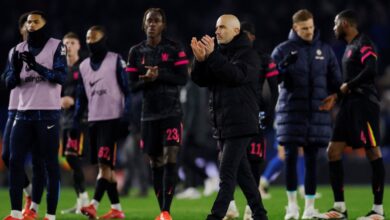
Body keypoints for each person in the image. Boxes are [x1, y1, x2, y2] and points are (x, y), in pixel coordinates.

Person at [191, 14, 268, 220]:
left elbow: (235, 76)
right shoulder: (218, 54)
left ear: (236, 31)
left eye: (222, 27)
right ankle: (260, 214)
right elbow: (201, 80)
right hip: (223, 124)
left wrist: (212, 56)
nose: (217, 31)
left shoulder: (249, 55)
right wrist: (200, 61)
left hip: (241, 123)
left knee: (226, 174)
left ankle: (215, 216)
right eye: (216, 27)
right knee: (244, 176)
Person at [271, 9, 342, 219]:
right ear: (295, 28)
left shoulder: (325, 50)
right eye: (304, 28)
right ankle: (292, 206)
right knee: (291, 159)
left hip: (316, 114)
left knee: (312, 161)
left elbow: (336, 82)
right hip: (291, 113)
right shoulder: (282, 50)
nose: (309, 31)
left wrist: (335, 97)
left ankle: (309, 208)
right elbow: (270, 79)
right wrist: (283, 67)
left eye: (311, 27)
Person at [315, 9, 385, 220]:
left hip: (365, 104)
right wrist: (337, 96)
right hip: (348, 105)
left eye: (336, 23)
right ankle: (339, 208)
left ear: (345, 23)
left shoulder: (364, 43)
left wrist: (346, 87)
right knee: (333, 151)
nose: (333, 28)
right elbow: (347, 84)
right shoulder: (348, 48)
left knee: (373, 152)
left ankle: (378, 211)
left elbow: (372, 70)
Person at [3, 10, 67, 220]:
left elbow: (61, 77)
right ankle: (15, 213)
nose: (31, 25)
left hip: (47, 114)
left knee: (48, 164)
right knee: (14, 161)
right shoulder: (16, 50)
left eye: (35, 22)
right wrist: (16, 69)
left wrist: (36, 66)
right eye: (29, 22)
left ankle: (49, 215)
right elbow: (9, 83)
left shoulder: (57, 46)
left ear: (44, 24)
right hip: (23, 113)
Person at [126, 8, 189, 220]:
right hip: (148, 115)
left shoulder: (174, 49)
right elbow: (130, 86)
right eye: (149, 21)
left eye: (156, 21)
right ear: (144, 25)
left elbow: (183, 79)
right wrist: (145, 79)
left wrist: (159, 75)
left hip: (171, 112)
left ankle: (166, 211)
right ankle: (162, 209)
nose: (152, 24)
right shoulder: (135, 52)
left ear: (163, 25)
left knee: (171, 155)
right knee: (155, 162)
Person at [223, 21, 279, 220]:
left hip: (255, 117)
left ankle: (249, 207)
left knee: (254, 162)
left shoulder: (264, 59)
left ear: (253, 37)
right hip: (231, 117)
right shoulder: (226, 56)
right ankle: (230, 206)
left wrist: (269, 112)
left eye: (245, 35)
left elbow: (274, 88)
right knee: (229, 162)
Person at [74, 25, 130, 219]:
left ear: (104, 39)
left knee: (104, 164)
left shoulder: (115, 60)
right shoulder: (83, 66)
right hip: (94, 120)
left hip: (113, 119)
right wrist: (76, 119)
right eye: (88, 38)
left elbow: (127, 89)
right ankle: (116, 209)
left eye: (94, 38)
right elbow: (81, 96)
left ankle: (93, 205)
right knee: (106, 167)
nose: (90, 42)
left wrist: (126, 115)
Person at [59, 32, 89, 215]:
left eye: (72, 42)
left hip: (80, 119)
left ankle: (84, 200)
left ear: (78, 46)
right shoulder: (60, 68)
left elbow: (90, 89)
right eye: (66, 43)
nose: (68, 46)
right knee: (70, 160)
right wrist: (60, 99)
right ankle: (80, 203)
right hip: (65, 120)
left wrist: (75, 100)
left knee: (72, 157)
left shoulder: (84, 66)